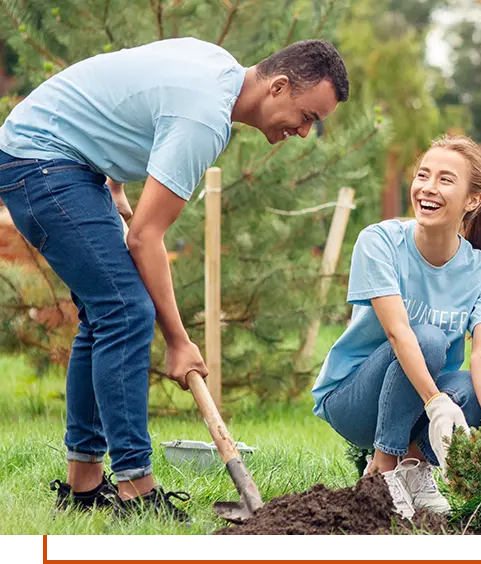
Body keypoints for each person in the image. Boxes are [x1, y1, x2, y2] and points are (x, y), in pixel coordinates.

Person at [0, 37, 348, 521]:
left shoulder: (218, 69)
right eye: (308, 116)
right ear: (279, 86)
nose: (307, 132)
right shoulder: (205, 116)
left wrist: (115, 181)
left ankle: (83, 487)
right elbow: (145, 239)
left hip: (59, 157)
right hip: (42, 159)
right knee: (125, 310)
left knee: (105, 314)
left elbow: (126, 87)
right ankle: (137, 491)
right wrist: (179, 342)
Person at [311, 134, 481, 517]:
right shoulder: (380, 241)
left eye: (445, 179)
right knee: (427, 338)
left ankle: (414, 466)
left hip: (416, 401)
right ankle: (383, 471)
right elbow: (399, 333)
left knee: (473, 389)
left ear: (472, 200)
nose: (428, 187)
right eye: (423, 175)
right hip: (355, 399)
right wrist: (436, 402)